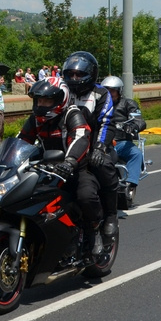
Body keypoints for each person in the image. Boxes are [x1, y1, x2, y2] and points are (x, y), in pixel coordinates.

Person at [17, 78, 101, 258]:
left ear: (60, 100)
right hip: (45, 170)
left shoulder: (71, 114)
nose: (41, 104)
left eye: (46, 100)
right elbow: (21, 141)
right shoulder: (36, 120)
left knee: (85, 196)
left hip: (76, 170)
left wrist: (70, 161)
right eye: (39, 100)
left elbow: (81, 137)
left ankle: (93, 231)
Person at [62, 51, 118, 240]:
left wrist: (100, 147)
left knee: (103, 167)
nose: (74, 78)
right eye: (70, 74)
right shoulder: (63, 93)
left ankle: (111, 215)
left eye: (79, 75)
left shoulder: (100, 94)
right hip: (66, 150)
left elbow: (106, 122)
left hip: (93, 148)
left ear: (91, 75)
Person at [102, 75, 145, 189]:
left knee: (136, 153)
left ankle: (129, 183)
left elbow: (140, 121)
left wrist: (132, 126)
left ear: (119, 91)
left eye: (113, 91)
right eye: (107, 90)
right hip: (101, 142)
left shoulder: (128, 104)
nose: (110, 93)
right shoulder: (97, 105)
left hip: (121, 142)